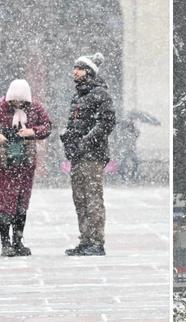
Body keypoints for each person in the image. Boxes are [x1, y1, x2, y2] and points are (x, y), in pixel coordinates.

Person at [0, 79, 52, 257]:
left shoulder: (35, 108)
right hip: (2, 163)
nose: (17, 104)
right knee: (4, 203)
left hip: (25, 162)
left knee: (21, 203)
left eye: (21, 101)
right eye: (14, 100)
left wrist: (32, 132)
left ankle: (18, 241)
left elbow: (47, 126)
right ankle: (5, 243)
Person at [60, 52, 116, 256]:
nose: (74, 71)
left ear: (89, 72)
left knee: (92, 198)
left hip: (92, 156)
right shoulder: (78, 96)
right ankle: (85, 239)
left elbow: (107, 122)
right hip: (77, 156)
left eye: (79, 68)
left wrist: (86, 141)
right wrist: (69, 140)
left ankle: (96, 241)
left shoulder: (100, 93)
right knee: (80, 199)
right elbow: (73, 124)